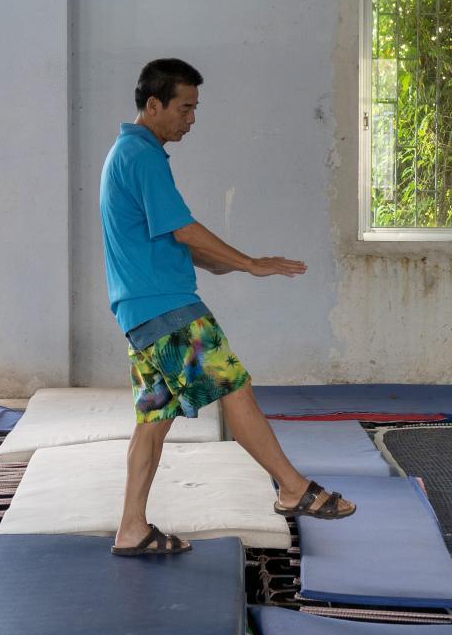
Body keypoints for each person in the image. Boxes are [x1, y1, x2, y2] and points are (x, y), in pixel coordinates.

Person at [100, 58, 355, 557]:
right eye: (184, 108)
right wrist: (250, 262)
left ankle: (131, 527)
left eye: (195, 108)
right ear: (153, 105)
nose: (191, 119)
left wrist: (229, 265)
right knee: (234, 386)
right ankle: (292, 488)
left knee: (153, 420)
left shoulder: (126, 153)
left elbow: (167, 237)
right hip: (167, 308)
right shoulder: (143, 156)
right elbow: (183, 229)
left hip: (140, 312)